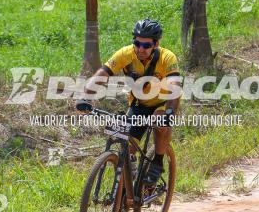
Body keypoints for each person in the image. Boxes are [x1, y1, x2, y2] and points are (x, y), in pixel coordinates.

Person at [76, 18, 181, 185]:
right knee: (126, 149)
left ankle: (158, 161)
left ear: (156, 44)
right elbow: (102, 74)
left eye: (146, 45)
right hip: (138, 105)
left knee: (161, 122)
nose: (141, 49)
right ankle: (125, 191)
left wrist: (169, 113)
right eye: (137, 43)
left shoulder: (167, 58)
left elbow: (175, 87)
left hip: (162, 104)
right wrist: (85, 97)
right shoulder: (125, 54)